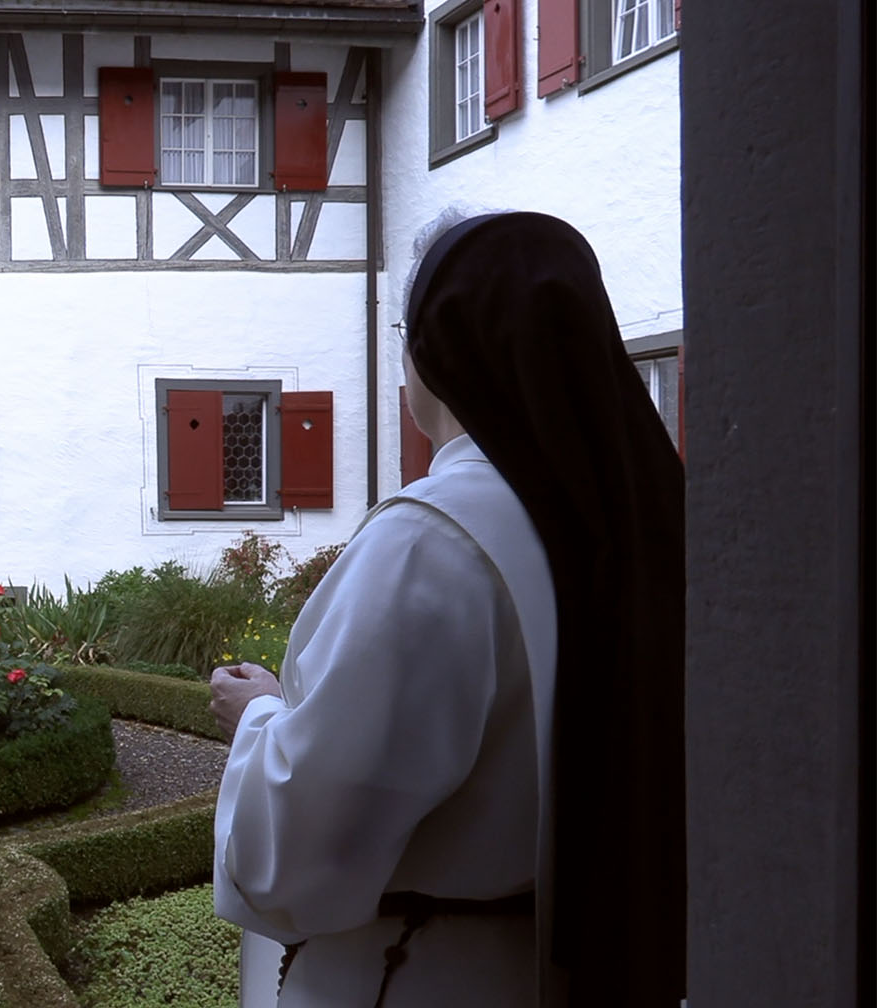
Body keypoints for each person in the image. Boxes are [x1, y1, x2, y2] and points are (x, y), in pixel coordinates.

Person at [209, 211, 685, 1007]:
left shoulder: (429, 542)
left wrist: (257, 718)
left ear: (437, 346)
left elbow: (301, 855)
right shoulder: (637, 522)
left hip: (416, 973)